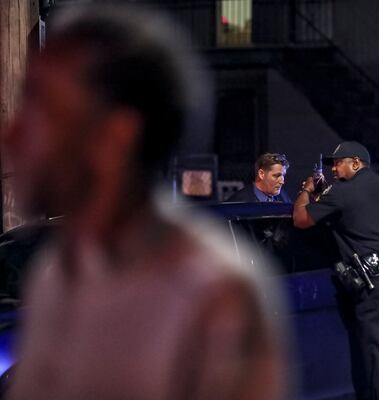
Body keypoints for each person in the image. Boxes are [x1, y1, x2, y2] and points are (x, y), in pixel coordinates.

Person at [5, 5, 285, 400]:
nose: (13, 134)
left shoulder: (212, 296)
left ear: (116, 136)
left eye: (44, 111)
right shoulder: (55, 275)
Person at [293, 141, 379, 400]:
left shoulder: (343, 191)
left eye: (338, 163)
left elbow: (301, 220)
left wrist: (306, 193)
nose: (334, 169)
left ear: (356, 163)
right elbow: (363, 216)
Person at [227, 153, 291, 202]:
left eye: (283, 175)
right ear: (261, 174)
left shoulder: (284, 198)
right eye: (276, 176)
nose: (282, 182)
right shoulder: (239, 202)